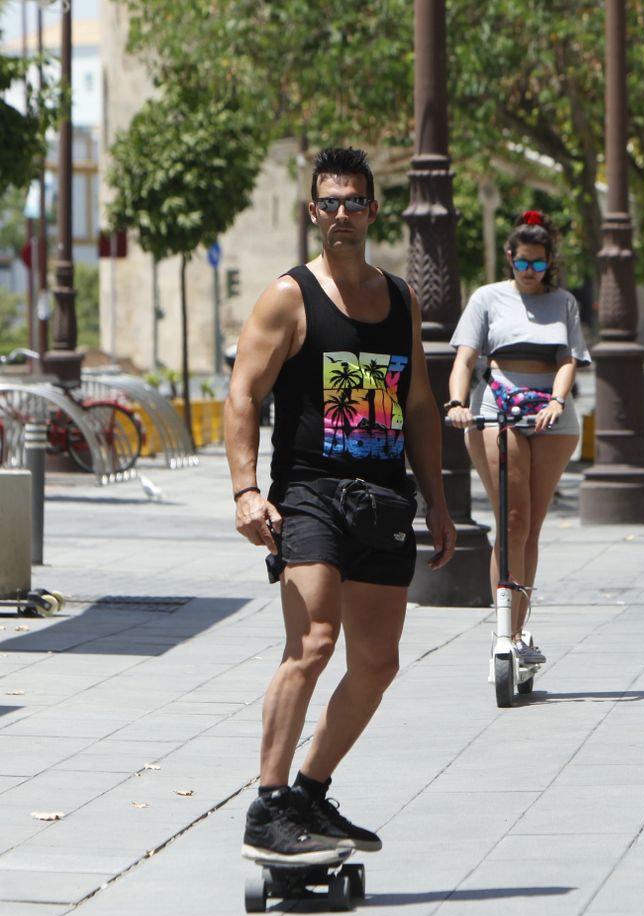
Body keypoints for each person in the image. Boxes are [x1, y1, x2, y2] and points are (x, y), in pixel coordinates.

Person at [224, 146, 456, 865]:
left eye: (355, 202)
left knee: (379, 663)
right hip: (310, 496)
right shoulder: (290, 297)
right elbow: (242, 396)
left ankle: (310, 790)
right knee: (314, 642)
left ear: (373, 211)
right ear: (313, 211)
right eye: (330, 202)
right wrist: (246, 490)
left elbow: (417, 404)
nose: (343, 214)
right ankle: (267, 805)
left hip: (383, 500)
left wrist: (439, 505)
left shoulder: (399, 300)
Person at [444, 210, 590, 667]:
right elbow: (465, 359)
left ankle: (521, 633)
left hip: (551, 416)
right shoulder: (488, 299)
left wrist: (557, 402)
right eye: (522, 262)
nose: (529, 272)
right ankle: (503, 632)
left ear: (550, 263)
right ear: (510, 258)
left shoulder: (563, 302)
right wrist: (456, 403)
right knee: (512, 520)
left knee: (532, 526)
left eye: (538, 263)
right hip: (497, 408)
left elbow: (568, 359)